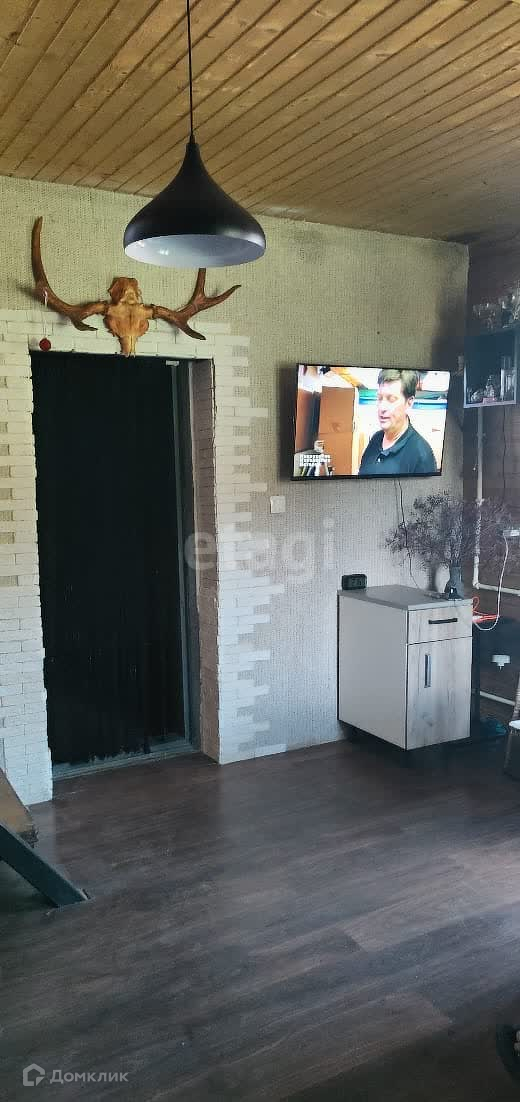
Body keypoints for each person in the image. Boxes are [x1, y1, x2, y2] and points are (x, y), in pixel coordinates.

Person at [358, 369, 437, 476]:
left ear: (409, 403)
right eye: (380, 398)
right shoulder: (375, 439)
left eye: (391, 399)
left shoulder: (422, 456)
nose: (382, 407)